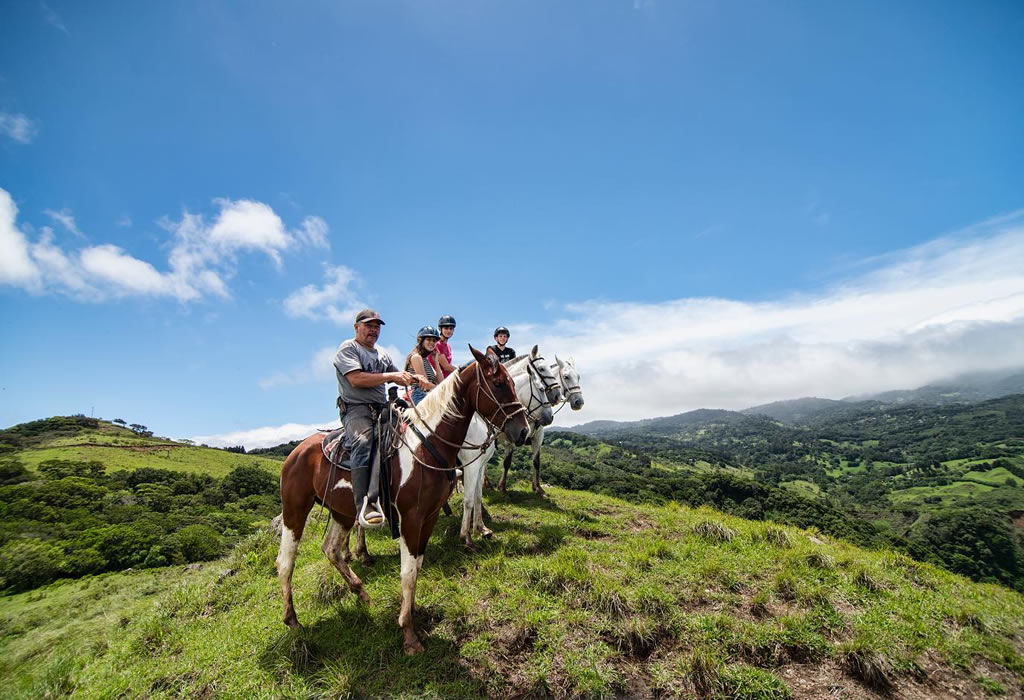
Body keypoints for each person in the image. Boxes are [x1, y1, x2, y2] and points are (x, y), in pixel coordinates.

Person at [334, 309, 424, 528]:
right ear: (357, 327)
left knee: (414, 433)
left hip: (382, 408)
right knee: (363, 443)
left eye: (377, 327)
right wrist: (392, 376)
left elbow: (396, 376)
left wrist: (412, 378)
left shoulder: (382, 353)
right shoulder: (348, 349)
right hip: (356, 409)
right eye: (369, 325)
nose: (373, 330)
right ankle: (363, 506)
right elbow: (355, 379)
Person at [404, 325, 444, 405]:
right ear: (421, 341)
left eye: (434, 341)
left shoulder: (426, 360)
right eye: (428, 339)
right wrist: (442, 390)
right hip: (420, 395)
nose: (432, 343)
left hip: (430, 394)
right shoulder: (416, 357)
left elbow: (441, 382)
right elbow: (425, 384)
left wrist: (436, 361)